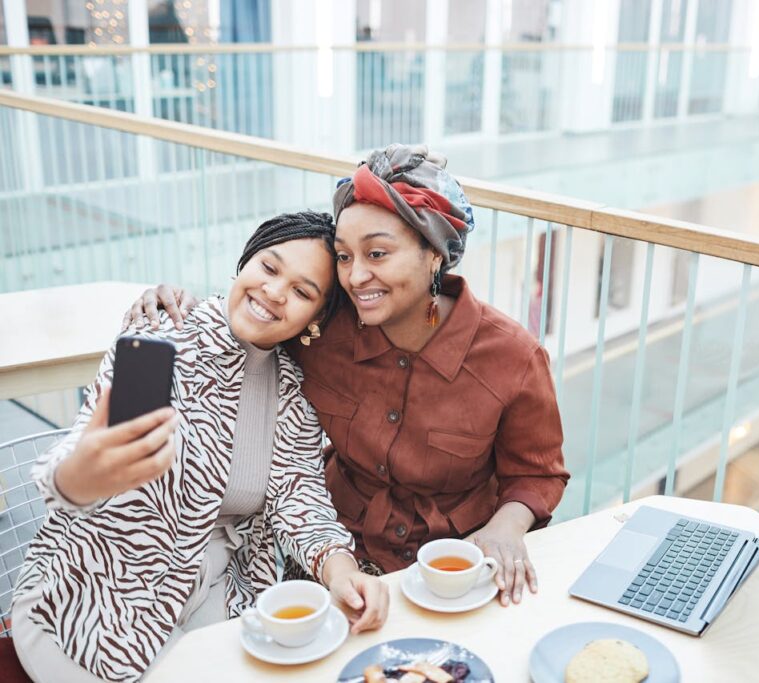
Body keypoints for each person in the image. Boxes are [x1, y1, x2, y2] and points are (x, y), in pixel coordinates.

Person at [127, 144, 570, 607]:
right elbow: (260, 309)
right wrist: (175, 309)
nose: (356, 276)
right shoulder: (321, 329)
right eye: (343, 256)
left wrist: (506, 526)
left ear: (434, 255)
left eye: (377, 253)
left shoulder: (513, 356)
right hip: (331, 554)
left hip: (449, 567)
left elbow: (538, 473)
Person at [14, 212, 389, 683]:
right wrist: (80, 476)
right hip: (86, 607)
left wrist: (341, 571)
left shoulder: (293, 389)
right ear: (245, 262)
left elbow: (301, 499)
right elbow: (84, 464)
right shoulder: (159, 335)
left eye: (301, 292)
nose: (274, 293)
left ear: (314, 320)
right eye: (269, 269)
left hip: (208, 605)